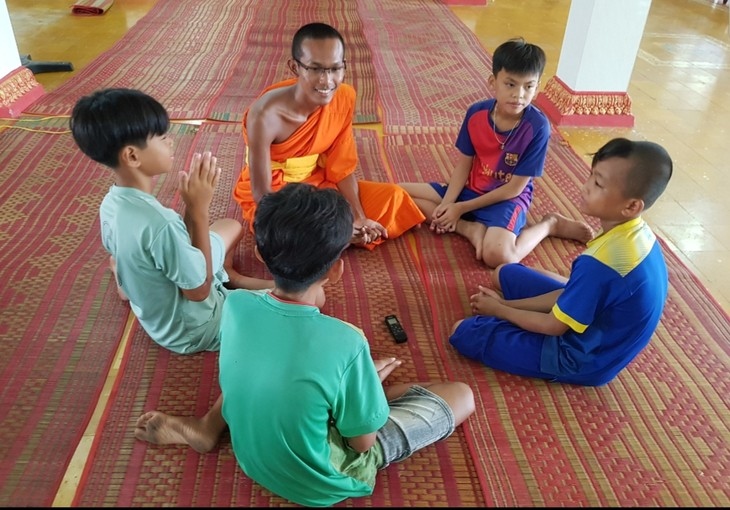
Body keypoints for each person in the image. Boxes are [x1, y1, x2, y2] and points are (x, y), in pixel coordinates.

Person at [134, 183, 475, 506]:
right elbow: (361, 443)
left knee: (264, 360)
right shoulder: (348, 341)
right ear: (337, 270)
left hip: (251, 455)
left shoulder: (236, 306)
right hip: (322, 479)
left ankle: (217, 424)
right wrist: (366, 384)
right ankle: (357, 398)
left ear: (260, 255)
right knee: (461, 395)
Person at [449, 138, 673, 386]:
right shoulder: (637, 233)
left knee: (463, 331)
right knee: (504, 273)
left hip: (580, 358)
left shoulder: (601, 265)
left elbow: (553, 326)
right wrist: (508, 304)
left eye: (598, 184)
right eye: (591, 176)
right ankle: (511, 306)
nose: (586, 187)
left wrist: (500, 311)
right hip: (593, 319)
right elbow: (570, 293)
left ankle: (507, 328)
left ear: (631, 206)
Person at [70, 88, 273, 355]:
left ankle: (134, 282)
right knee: (310, 299)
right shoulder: (161, 223)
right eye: (163, 137)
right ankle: (229, 280)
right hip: (195, 328)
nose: (172, 142)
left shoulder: (111, 203)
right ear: (132, 156)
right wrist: (198, 209)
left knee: (229, 226)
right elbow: (198, 292)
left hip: (153, 314)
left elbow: (179, 242)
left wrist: (192, 208)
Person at [400, 37, 594, 268]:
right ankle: (468, 228)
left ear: (537, 86)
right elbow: (464, 166)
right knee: (400, 193)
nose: (519, 94)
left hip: (506, 199)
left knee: (499, 257)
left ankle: (549, 225)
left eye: (528, 86)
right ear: (493, 82)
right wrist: (449, 203)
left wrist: (459, 208)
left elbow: (515, 188)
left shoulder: (538, 127)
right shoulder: (476, 114)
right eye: (510, 84)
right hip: (470, 189)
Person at [232, 22, 425, 249]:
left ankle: (456, 219)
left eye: (335, 69)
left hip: (318, 185)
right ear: (295, 67)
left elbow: (340, 168)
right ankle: (338, 236)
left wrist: (358, 217)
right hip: (279, 196)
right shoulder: (265, 114)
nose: (327, 81)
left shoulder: (343, 97)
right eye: (315, 69)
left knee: (392, 197)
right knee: (293, 234)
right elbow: (263, 198)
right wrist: (339, 228)